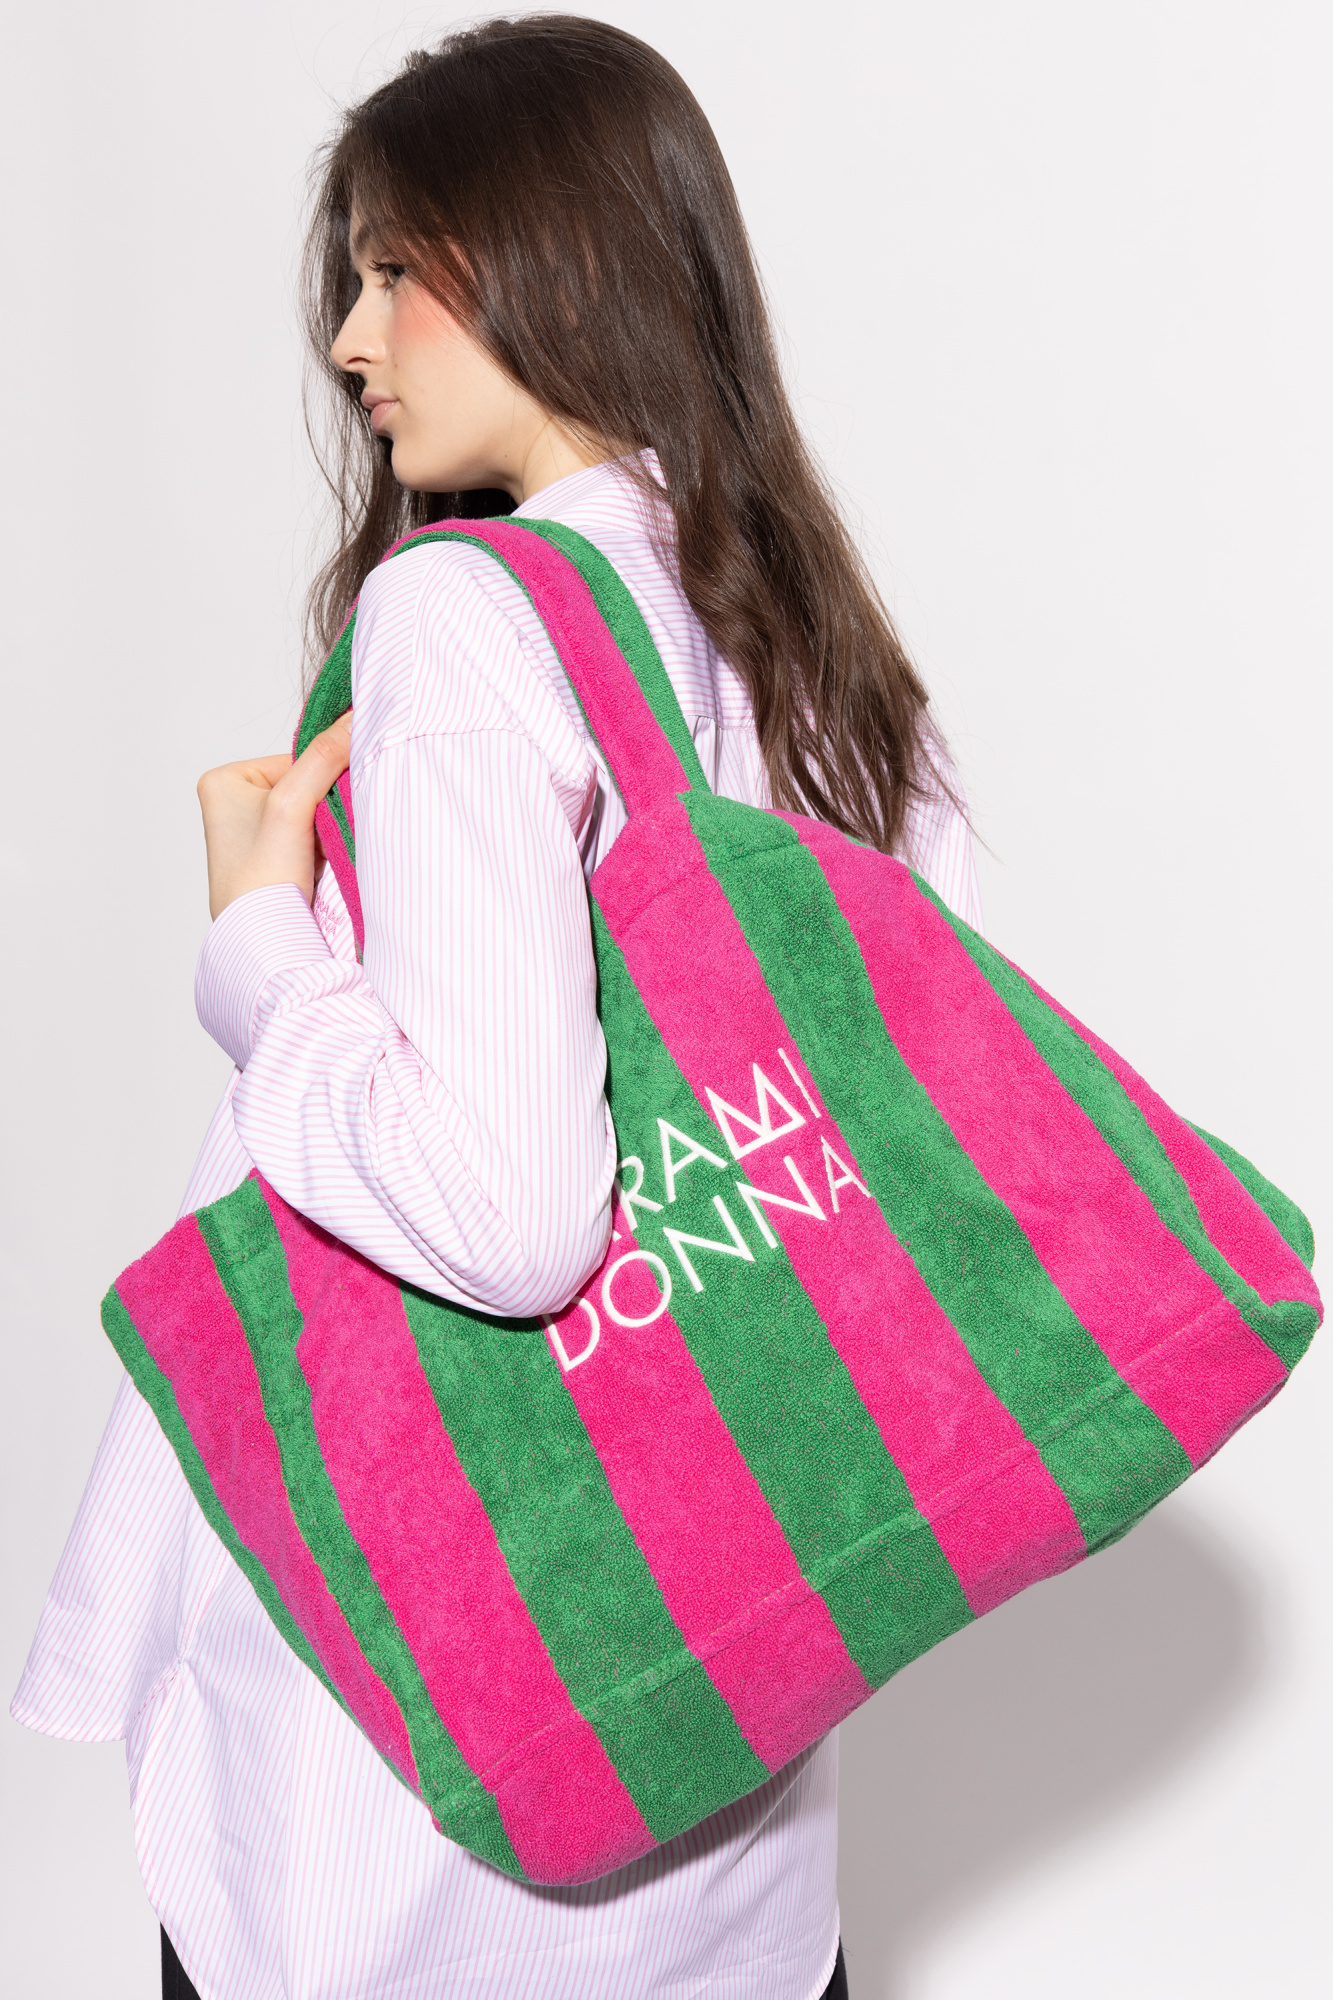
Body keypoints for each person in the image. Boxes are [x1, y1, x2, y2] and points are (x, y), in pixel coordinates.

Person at [13, 17, 980, 1999]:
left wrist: (261, 941)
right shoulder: (819, 652)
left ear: (560, 260)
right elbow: (893, 1132)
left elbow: (515, 1214)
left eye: (393, 271)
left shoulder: (464, 613)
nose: (348, 341)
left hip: (412, 1828)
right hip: (736, 1814)